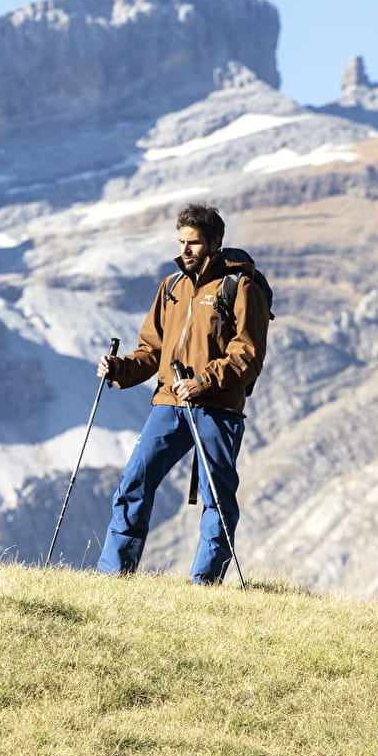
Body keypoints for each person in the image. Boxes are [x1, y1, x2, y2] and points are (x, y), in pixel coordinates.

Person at [95, 203, 270, 583]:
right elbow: (151, 351)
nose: (184, 250)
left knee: (217, 501)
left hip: (218, 408)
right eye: (181, 241)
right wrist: (119, 368)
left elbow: (249, 353)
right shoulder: (171, 287)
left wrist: (203, 381)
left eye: (193, 243)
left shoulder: (240, 286)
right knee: (134, 482)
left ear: (215, 242)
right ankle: (113, 577)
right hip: (168, 404)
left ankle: (203, 585)